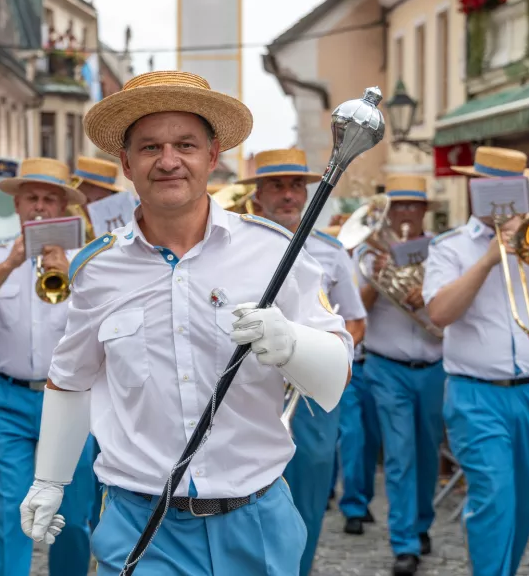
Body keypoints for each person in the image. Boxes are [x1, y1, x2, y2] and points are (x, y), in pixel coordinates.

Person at [18, 71, 354, 574]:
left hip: (256, 519)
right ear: (127, 163)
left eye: (186, 145)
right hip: (143, 522)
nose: (169, 161)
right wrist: (49, 481)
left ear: (212, 157)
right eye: (150, 147)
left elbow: (337, 374)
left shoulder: (274, 252)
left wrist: (291, 345)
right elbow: (70, 379)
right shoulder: (98, 269)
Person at [424, 147, 529, 576]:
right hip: (476, 394)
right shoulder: (451, 247)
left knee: (523, 499)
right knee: (493, 498)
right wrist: (488, 259)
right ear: (473, 187)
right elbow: (440, 313)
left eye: (511, 188)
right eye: (488, 186)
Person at [0, 157, 93, 576]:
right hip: (7, 399)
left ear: (64, 209)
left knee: (72, 517)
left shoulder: (88, 260)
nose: (39, 207)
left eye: (50, 199)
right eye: (31, 197)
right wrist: (9, 263)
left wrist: (75, 277)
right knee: (13, 514)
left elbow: (109, 323)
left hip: (70, 401)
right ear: (16, 206)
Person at [244, 147, 367, 576]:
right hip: (250, 388)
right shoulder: (237, 244)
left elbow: (354, 322)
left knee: (311, 491)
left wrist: (331, 364)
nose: (289, 194)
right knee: (247, 492)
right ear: (258, 193)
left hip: (309, 395)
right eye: (277, 185)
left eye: (296, 185)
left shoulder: (332, 250)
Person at [355, 174, 446, 575]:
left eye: (413, 206)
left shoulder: (442, 251)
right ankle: (404, 542)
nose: (405, 214)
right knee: (399, 454)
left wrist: (424, 292)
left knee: (428, 452)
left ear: (425, 210)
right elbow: (356, 309)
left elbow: (449, 304)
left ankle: (422, 523)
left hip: (434, 364)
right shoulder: (367, 251)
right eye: (398, 207)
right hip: (386, 365)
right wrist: (378, 278)